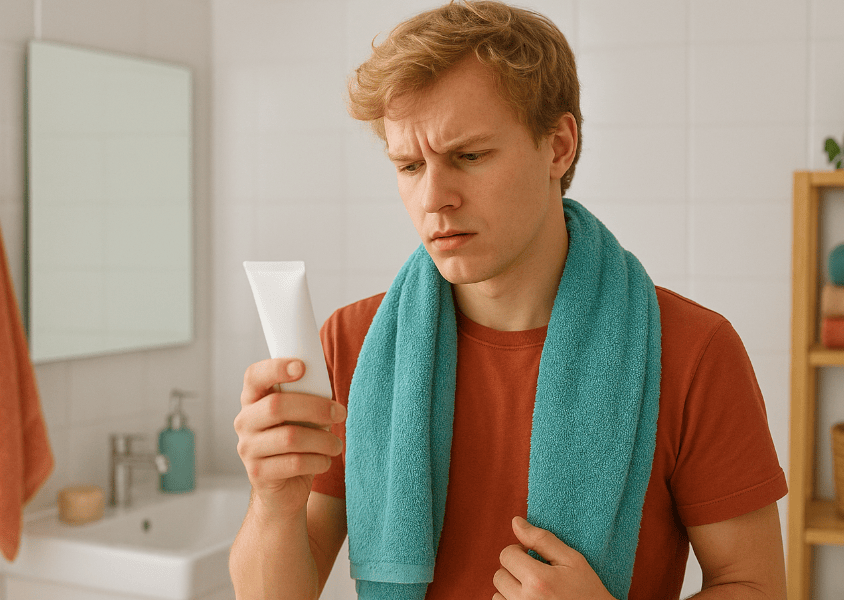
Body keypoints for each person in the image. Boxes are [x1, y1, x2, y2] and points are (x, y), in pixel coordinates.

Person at [229, 2, 788, 599]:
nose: (433, 197)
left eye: (469, 156)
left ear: (558, 146)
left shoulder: (691, 351)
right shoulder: (353, 343)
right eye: (409, 165)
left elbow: (755, 586)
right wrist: (272, 502)